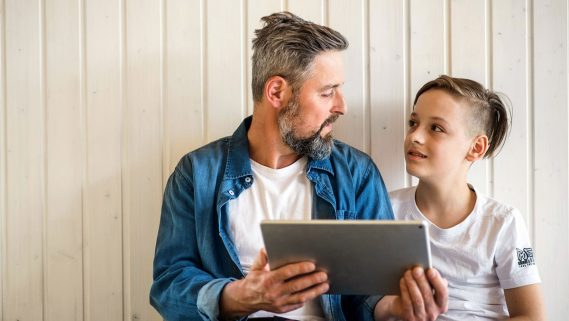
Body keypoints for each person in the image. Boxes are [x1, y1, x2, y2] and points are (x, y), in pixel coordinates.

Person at [150, 12, 447, 321]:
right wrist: (244, 296)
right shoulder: (197, 173)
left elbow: (371, 292)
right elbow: (168, 284)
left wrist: (396, 307)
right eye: (327, 92)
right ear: (277, 92)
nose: (342, 106)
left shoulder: (356, 173)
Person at [383, 75, 546, 320]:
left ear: (476, 148)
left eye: (436, 128)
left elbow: (532, 316)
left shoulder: (503, 222)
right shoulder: (385, 209)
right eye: (413, 123)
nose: (415, 136)